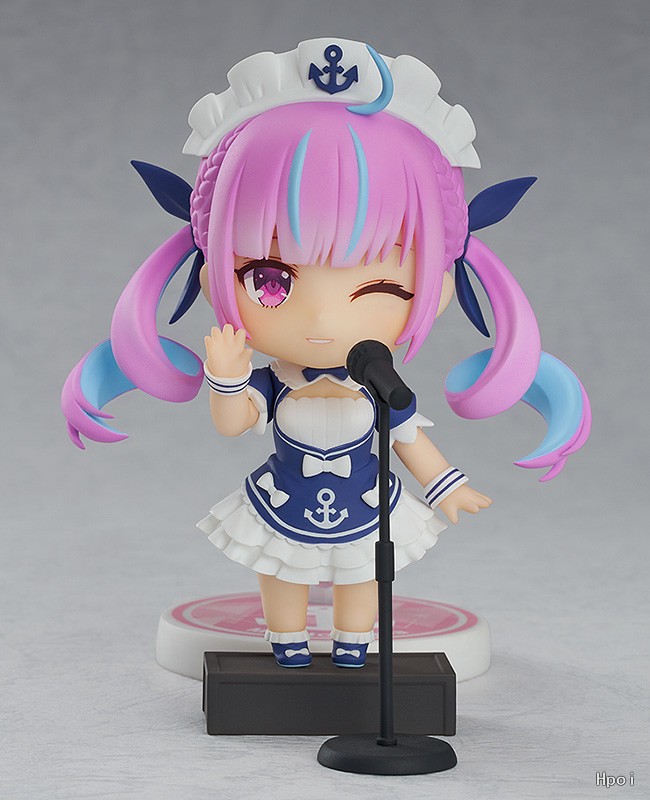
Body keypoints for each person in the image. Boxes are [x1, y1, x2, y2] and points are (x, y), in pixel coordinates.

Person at [62, 38, 590, 669]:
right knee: (280, 572)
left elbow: (409, 439)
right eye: (270, 281)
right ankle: (286, 645)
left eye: (379, 288)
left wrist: (447, 487)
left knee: (362, 576)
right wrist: (226, 380)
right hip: (283, 501)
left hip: (366, 507)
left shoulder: (377, 381)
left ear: (439, 289)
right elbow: (233, 424)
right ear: (212, 276)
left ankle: (351, 648)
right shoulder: (274, 383)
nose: (321, 319)